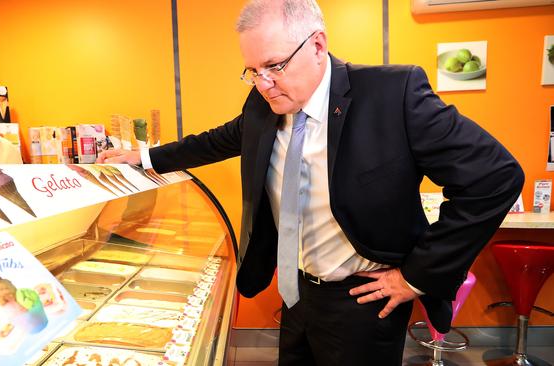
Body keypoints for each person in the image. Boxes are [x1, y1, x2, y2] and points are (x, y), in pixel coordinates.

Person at [97, 0, 524, 364]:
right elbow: (220, 139)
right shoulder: (266, 103)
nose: (263, 83)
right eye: (251, 71)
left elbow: (495, 177)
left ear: (317, 45)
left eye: (274, 66)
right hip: (297, 293)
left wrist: (414, 276)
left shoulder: (392, 94)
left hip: (363, 300)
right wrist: (146, 156)